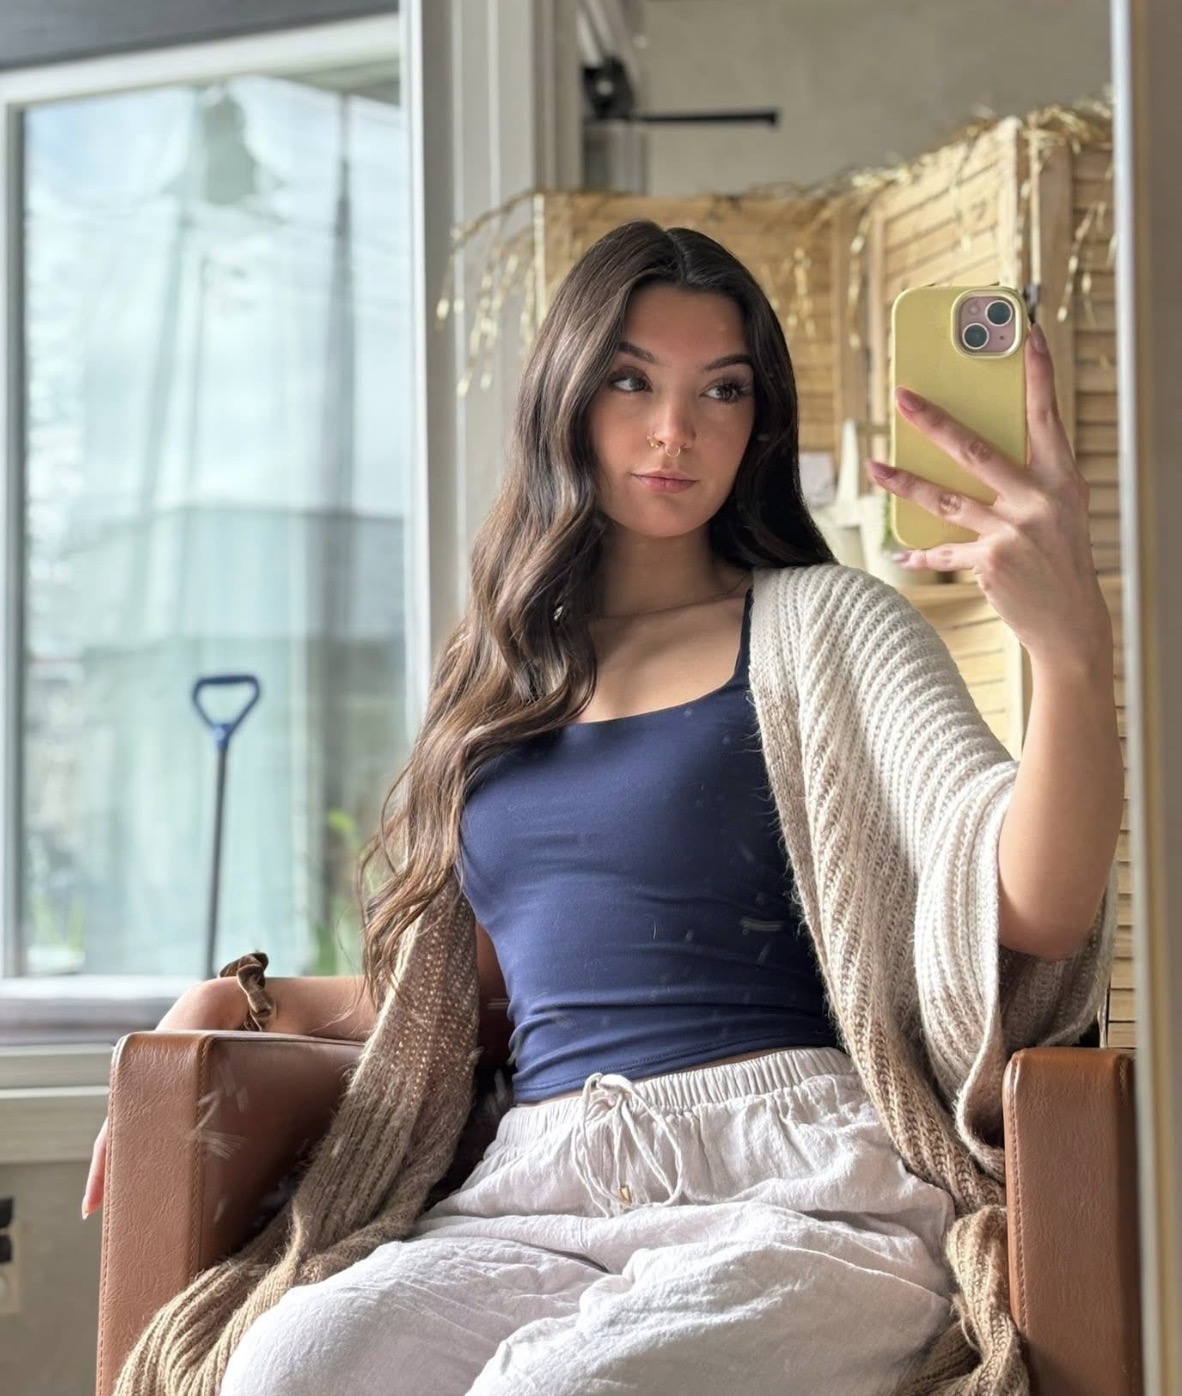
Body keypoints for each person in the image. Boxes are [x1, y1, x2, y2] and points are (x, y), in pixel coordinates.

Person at [85, 221, 1121, 1396]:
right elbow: (472, 989)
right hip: (535, 1191)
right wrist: (241, 998)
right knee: (288, 1364)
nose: (675, 429)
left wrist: (1070, 652)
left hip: (793, 1191)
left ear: (759, 422)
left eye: (721, 390)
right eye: (633, 380)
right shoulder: (498, 677)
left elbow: (1031, 907)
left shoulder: (831, 625)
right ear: (567, 398)